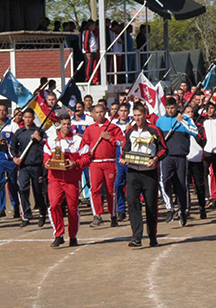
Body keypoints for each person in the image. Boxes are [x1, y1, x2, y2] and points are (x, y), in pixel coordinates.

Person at [120, 103, 168, 247]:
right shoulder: (130, 131)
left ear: (145, 114)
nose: (137, 118)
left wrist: (155, 159)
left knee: (151, 206)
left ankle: (152, 235)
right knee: (133, 203)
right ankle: (136, 236)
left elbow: (164, 149)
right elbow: (125, 149)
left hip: (149, 173)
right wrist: (122, 159)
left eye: (139, 115)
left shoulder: (154, 130)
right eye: (135, 116)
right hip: (133, 173)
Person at [43, 114, 91, 247]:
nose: (66, 127)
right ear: (59, 125)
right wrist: (47, 163)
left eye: (68, 124)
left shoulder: (78, 140)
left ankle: (73, 236)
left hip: (71, 180)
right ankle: (58, 234)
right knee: (54, 205)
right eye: (64, 124)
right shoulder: (52, 140)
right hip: (55, 179)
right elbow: (46, 156)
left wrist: (75, 163)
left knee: (72, 209)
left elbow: (87, 158)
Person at [156, 97, 198, 226]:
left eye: (172, 108)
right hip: (166, 156)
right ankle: (170, 207)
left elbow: (195, 132)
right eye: (168, 108)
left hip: (180, 156)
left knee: (181, 184)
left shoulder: (185, 119)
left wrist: (182, 122)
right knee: (164, 181)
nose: (170, 110)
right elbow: (156, 137)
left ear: (177, 107)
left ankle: (183, 209)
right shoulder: (160, 121)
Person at [82, 104, 124, 227]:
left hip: (110, 161)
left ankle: (113, 215)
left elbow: (122, 141)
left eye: (101, 112)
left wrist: (110, 138)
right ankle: (97, 215)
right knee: (94, 189)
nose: (99, 114)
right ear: (93, 114)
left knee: (110, 190)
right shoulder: (89, 129)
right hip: (95, 163)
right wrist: (85, 155)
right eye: (97, 112)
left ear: (105, 112)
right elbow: (84, 145)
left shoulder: (113, 127)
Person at [11, 108, 48, 227]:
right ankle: (26, 215)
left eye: (30, 117)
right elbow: (12, 147)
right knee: (22, 190)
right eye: (25, 117)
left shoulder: (39, 131)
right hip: (24, 166)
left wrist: (39, 139)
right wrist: (15, 158)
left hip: (36, 166)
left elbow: (47, 146)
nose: (27, 119)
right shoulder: (19, 132)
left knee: (38, 191)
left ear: (33, 118)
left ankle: (42, 213)